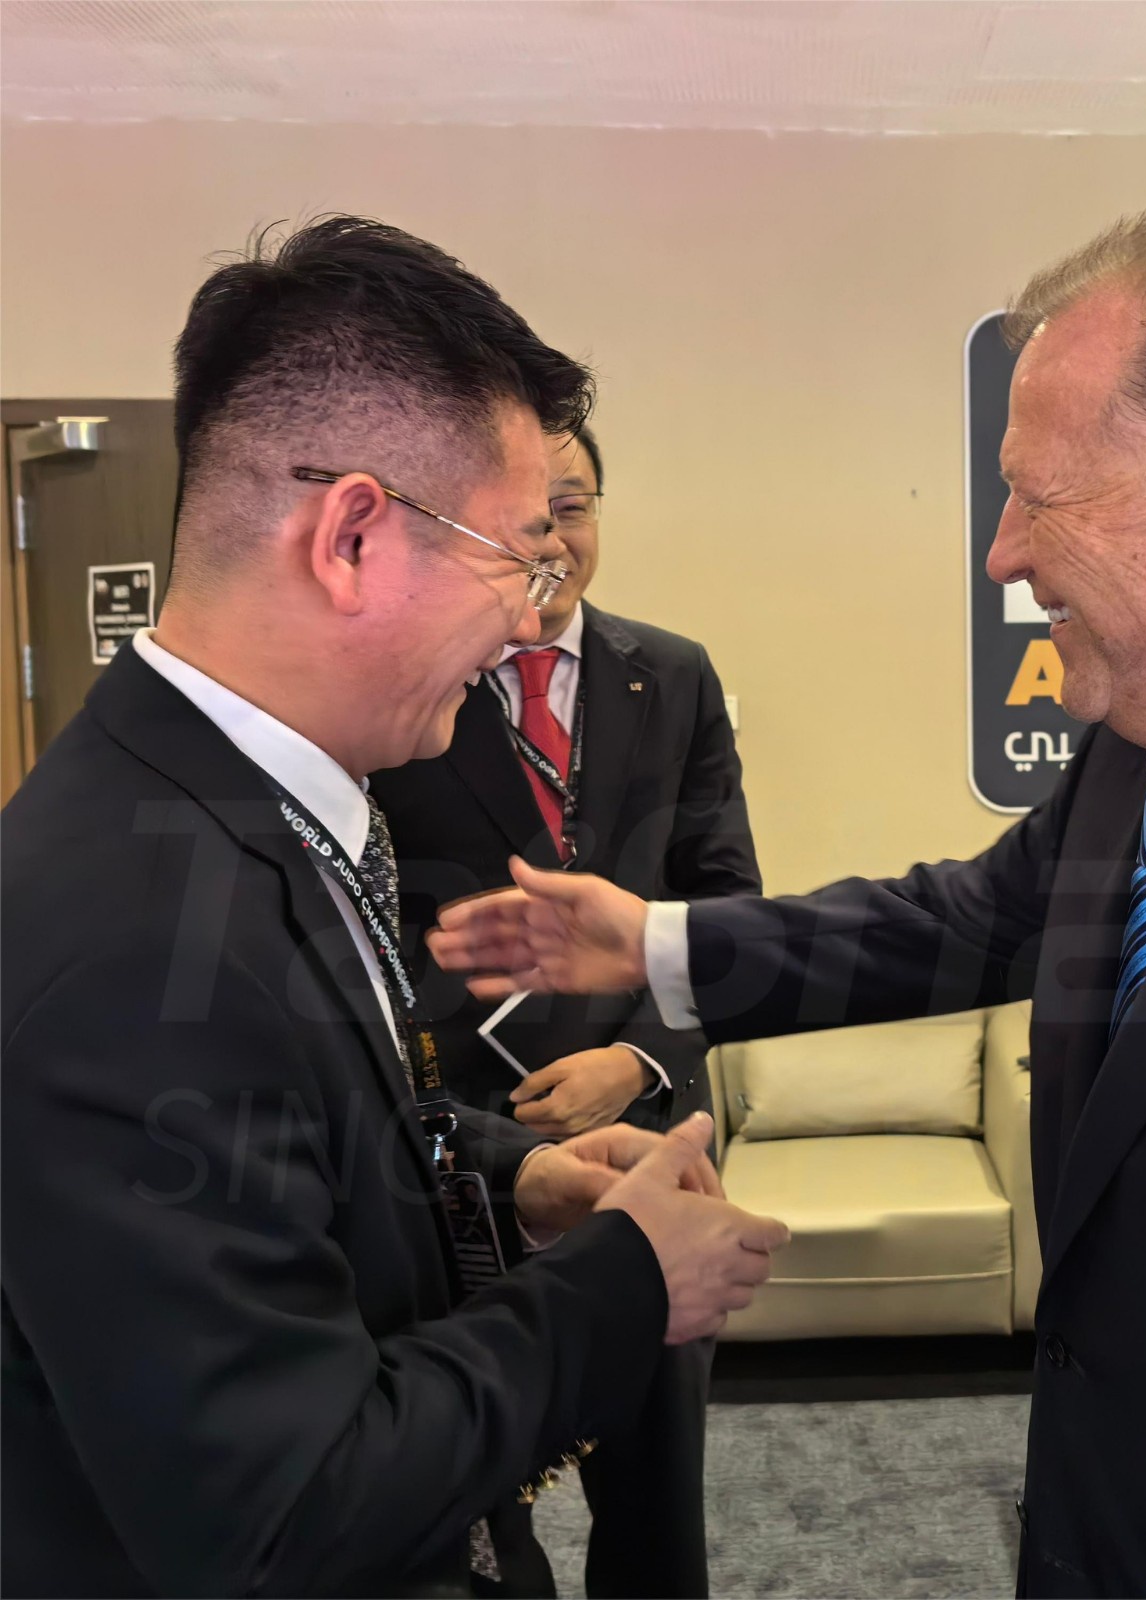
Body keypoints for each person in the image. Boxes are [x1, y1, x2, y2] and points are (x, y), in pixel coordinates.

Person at [430, 198, 1146, 1598]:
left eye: (1039, 497)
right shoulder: (1143, 743)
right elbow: (967, 922)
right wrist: (654, 942)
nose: (1002, 553)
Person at [0, 216, 787, 1599]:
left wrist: (512, 1176)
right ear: (354, 537)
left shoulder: (275, 807)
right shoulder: (132, 937)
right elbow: (286, 1513)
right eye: (516, 558)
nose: (531, 619)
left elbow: (324, 1122)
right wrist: (627, 1281)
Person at [371, 423, 760, 1597]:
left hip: (650, 1128)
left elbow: (723, 905)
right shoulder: (411, 684)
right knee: (483, 1474)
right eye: (524, 516)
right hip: (468, 1134)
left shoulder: (674, 674)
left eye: (572, 508)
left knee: (655, 1481)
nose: (550, 541)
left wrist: (638, 1062)